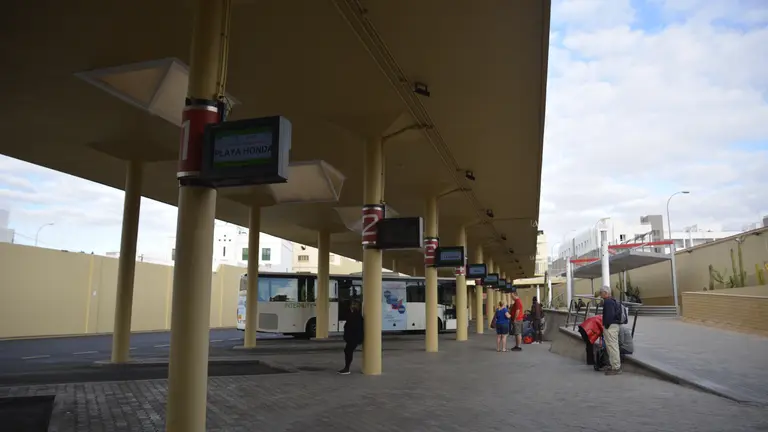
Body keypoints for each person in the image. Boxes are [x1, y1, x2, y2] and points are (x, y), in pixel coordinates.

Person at [599, 286, 622, 375]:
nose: (600, 295)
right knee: (611, 346)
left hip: (610, 327)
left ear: (605, 293)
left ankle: (616, 367)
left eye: (601, 293)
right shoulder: (612, 300)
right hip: (614, 326)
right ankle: (614, 365)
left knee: (612, 346)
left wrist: (606, 326)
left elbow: (609, 315)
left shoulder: (608, 302)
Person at [338, 302, 364, 375]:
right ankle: (346, 368)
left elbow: (352, 326)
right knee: (347, 351)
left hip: (353, 338)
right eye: (352, 305)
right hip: (353, 338)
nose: (352, 306)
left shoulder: (356, 316)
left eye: (354, 305)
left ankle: (347, 368)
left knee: (348, 351)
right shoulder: (356, 315)